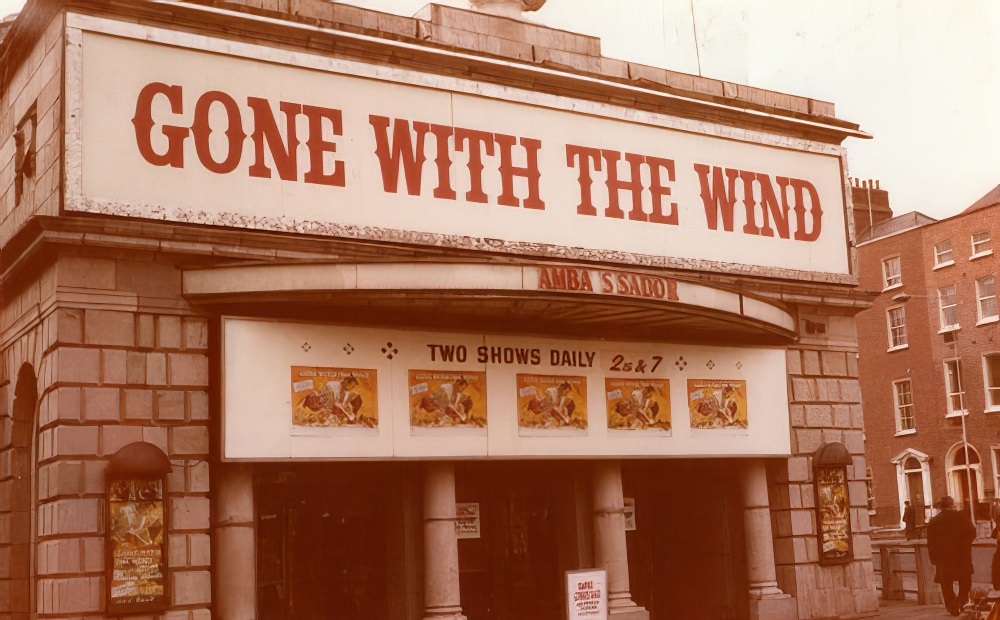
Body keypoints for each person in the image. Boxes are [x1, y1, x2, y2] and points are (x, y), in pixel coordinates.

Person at [926, 496, 977, 617]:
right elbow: (972, 533)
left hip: (944, 560)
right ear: (952, 505)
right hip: (962, 556)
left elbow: (931, 543)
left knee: (946, 584)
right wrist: (965, 546)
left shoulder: (933, 522)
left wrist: (934, 560)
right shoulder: (962, 517)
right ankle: (962, 603)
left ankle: (952, 607)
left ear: (941, 507)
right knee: (965, 582)